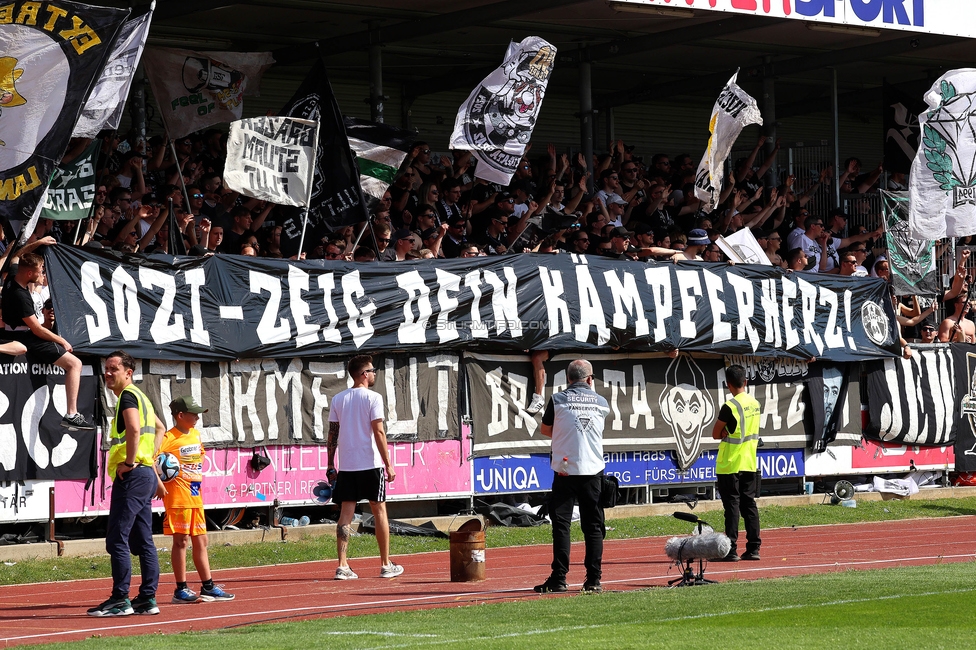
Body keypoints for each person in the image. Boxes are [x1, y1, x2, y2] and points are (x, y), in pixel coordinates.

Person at [88, 350, 167, 616]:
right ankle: (147, 598)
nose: (108, 373)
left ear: (128, 373)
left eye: (113, 369)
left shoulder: (128, 396)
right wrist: (149, 460)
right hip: (143, 475)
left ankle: (120, 599)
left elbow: (134, 429)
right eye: (106, 369)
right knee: (143, 540)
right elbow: (160, 428)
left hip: (132, 476)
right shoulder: (143, 397)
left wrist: (132, 461)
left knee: (117, 539)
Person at [534, 359, 610, 594]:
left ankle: (559, 579)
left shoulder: (557, 400)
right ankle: (593, 580)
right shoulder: (602, 402)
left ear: (568, 379)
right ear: (590, 379)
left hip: (565, 470)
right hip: (593, 471)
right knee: (594, 527)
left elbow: (545, 429)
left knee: (562, 526)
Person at [327, 355, 403, 581]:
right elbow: (378, 432)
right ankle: (385, 564)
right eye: (371, 370)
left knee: (346, 514)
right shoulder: (374, 398)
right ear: (363, 374)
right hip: (370, 465)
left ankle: (342, 565)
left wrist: (330, 463)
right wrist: (388, 464)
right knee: (379, 511)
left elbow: (332, 434)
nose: (374, 373)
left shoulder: (338, 399)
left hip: (348, 466)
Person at [1, 249, 93, 431]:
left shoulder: (13, 276)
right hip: (26, 336)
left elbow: (16, 256)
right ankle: (72, 415)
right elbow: (36, 329)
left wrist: (40, 242)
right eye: (41, 270)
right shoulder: (19, 296)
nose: (43, 273)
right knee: (74, 364)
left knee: (21, 348)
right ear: (29, 273)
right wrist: (61, 341)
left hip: (21, 335)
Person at [160, 396, 235, 604]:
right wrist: (161, 479)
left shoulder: (194, 434)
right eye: (193, 414)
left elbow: (200, 455)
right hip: (177, 498)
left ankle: (208, 586)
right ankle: (181, 589)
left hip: (195, 496)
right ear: (180, 415)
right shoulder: (167, 438)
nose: (197, 418)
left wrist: (193, 468)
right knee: (181, 541)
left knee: (202, 541)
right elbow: (153, 462)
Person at [712, 364, 762, 562]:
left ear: (728, 384)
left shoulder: (730, 406)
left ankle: (730, 549)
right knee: (749, 505)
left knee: (732, 506)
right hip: (749, 461)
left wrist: (724, 433)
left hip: (730, 464)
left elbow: (716, 433)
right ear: (746, 382)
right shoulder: (755, 403)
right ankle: (754, 548)